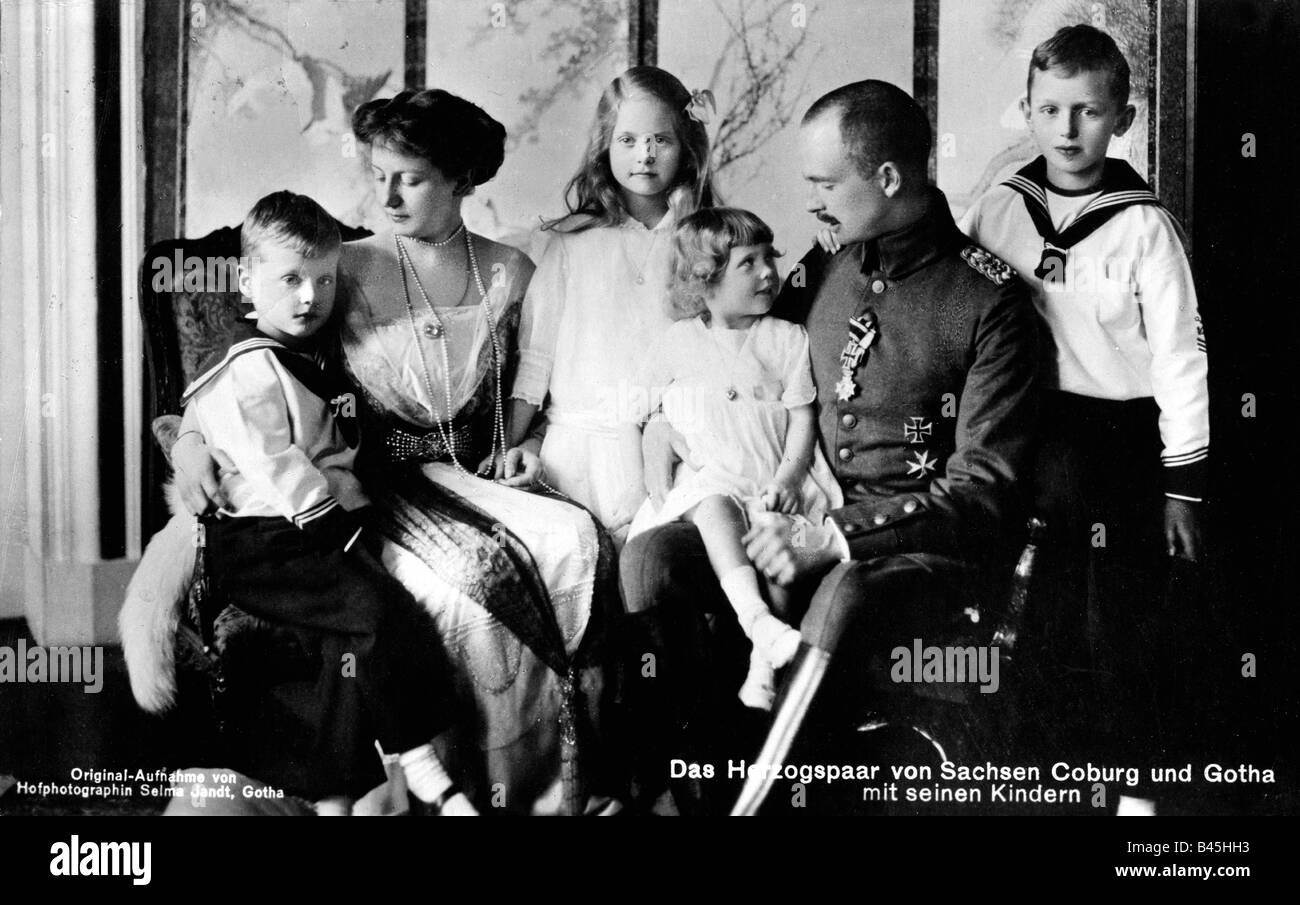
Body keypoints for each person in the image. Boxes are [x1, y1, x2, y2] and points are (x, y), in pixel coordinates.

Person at [167, 89, 622, 816]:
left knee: (579, 539)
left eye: (408, 177)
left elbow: (545, 382)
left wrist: (530, 442)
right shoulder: (340, 268)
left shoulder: (511, 271)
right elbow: (250, 368)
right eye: (377, 172)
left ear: (461, 180)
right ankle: (454, 791)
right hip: (369, 490)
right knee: (459, 579)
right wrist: (190, 438)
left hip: (473, 475)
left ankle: (564, 781)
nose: (384, 194)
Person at [620, 80, 1042, 814]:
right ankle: (683, 782)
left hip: (911, 550)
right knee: (654, 556)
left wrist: (832, 537)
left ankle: (750, 805)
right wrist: (666, 417)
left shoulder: (990, 302)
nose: (812, 202)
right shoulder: (826, 269)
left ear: (886, 178)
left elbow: (984, 490)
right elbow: (739, 357)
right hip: (790, 514)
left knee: (846, 590)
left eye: (824, 183)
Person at [959, 24, 1209, 816]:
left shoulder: (1144, 225)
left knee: (1117, 620)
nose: (1068, 131)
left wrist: (1184, 486)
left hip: (1120, 441)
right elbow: (958, 309)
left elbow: (1179, 358)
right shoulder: (999, 209)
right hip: (1026, 431)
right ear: (1027, 114)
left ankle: (1133, 783)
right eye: (1051, 109)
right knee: (1032, 613)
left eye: (1089, 111)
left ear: (1123, 119)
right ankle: (1035, 776)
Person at [173, 190, 475, 816]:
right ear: (246, 281)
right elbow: (274, 463)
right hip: (268, 540)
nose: (310, 297)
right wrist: (338, 526)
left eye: (324, 279)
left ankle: (343, 795)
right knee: (378, 610)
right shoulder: (250, 364)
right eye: (290, 280)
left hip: (304, 529)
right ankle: (420, 760)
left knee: (349, 645)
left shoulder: (313, 350)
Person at [620, 207, 842, 711]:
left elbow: (802, 418)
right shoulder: (679, 342)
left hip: (770, 473)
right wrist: (658, 433)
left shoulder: (787, 338)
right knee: (714, 506)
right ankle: (755, 620)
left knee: (776, 540)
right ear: (707, 281)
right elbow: (637, 406)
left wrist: (788, 476)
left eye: (771, 258)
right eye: (749, 263)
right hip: (714, 475)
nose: (768, 273)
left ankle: (764, 667)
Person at [507, 66, 718, 543]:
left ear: (686, 148)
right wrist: (510, 444)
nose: (644, 155)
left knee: (651, 575)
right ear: (605, 146)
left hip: (668, 447)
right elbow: (535, 362)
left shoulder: (703, 241)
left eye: (661, 140)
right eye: (627, 140)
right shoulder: (572, 243)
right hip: (574, 451)